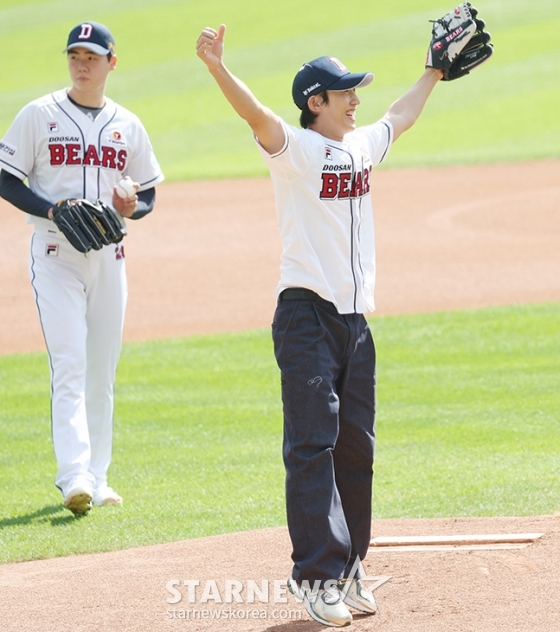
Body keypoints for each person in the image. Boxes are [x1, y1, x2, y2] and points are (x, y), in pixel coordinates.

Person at [195, 14, 481, 627]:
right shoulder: (295, 151)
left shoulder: (358, 146)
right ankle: (316, 576)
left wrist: (433, 70)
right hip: (305, 317)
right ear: (314, 102)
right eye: (345, 91)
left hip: (355, 325)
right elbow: (257, 117)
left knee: (355, 449)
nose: (356, 100)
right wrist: (219, 67)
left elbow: (399, 118)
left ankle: (349, 570)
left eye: (356, 90)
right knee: (312, 446)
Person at [0, 21, 164, 515]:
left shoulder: (127, 124)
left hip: (110, 255)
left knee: (102, 370)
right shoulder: (39, 114)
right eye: (75, 54)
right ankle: (74, 476)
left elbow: (149, 194)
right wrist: (52, 210)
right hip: (55, 255)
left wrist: (131, 203)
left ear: (112, 62)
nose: (82, 63)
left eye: (92, 56)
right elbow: (7, 178)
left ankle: (99, 476)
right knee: (70, 363)